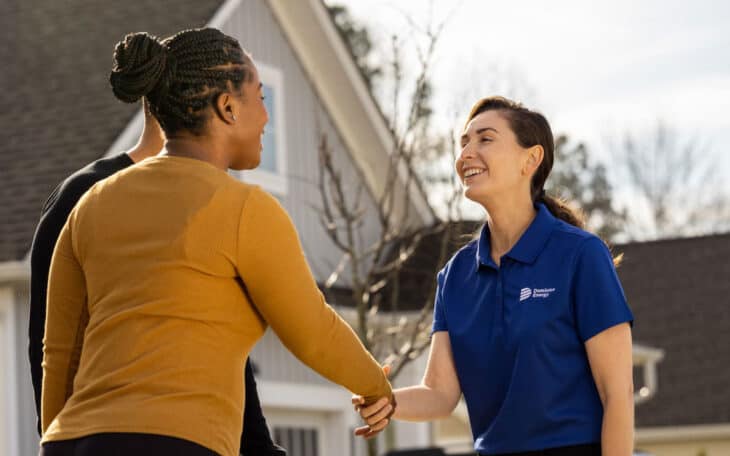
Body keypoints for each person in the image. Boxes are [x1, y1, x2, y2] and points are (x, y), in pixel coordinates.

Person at [40, 28, 391, 456]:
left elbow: (59, 353)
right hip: (175, 443)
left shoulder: (92, 203)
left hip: (70, 441)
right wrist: (375, 385)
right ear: (228, 107)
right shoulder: (244, 208)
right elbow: (313, 331)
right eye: (261, 98)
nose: (266, 117)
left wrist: (54, 442)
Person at [354, 96, 634, 456]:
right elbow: (440, 394)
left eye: (485, 139)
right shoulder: (455, 276)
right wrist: (387, 401)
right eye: (463, 143)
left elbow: (618, 394)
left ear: (530, 160)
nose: (466, 154)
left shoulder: (580, 255)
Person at [28, 97, 286, 455]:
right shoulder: (84, 198)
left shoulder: (210, 204)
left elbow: (223, 349)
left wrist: (259, 448)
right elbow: (50, 349)